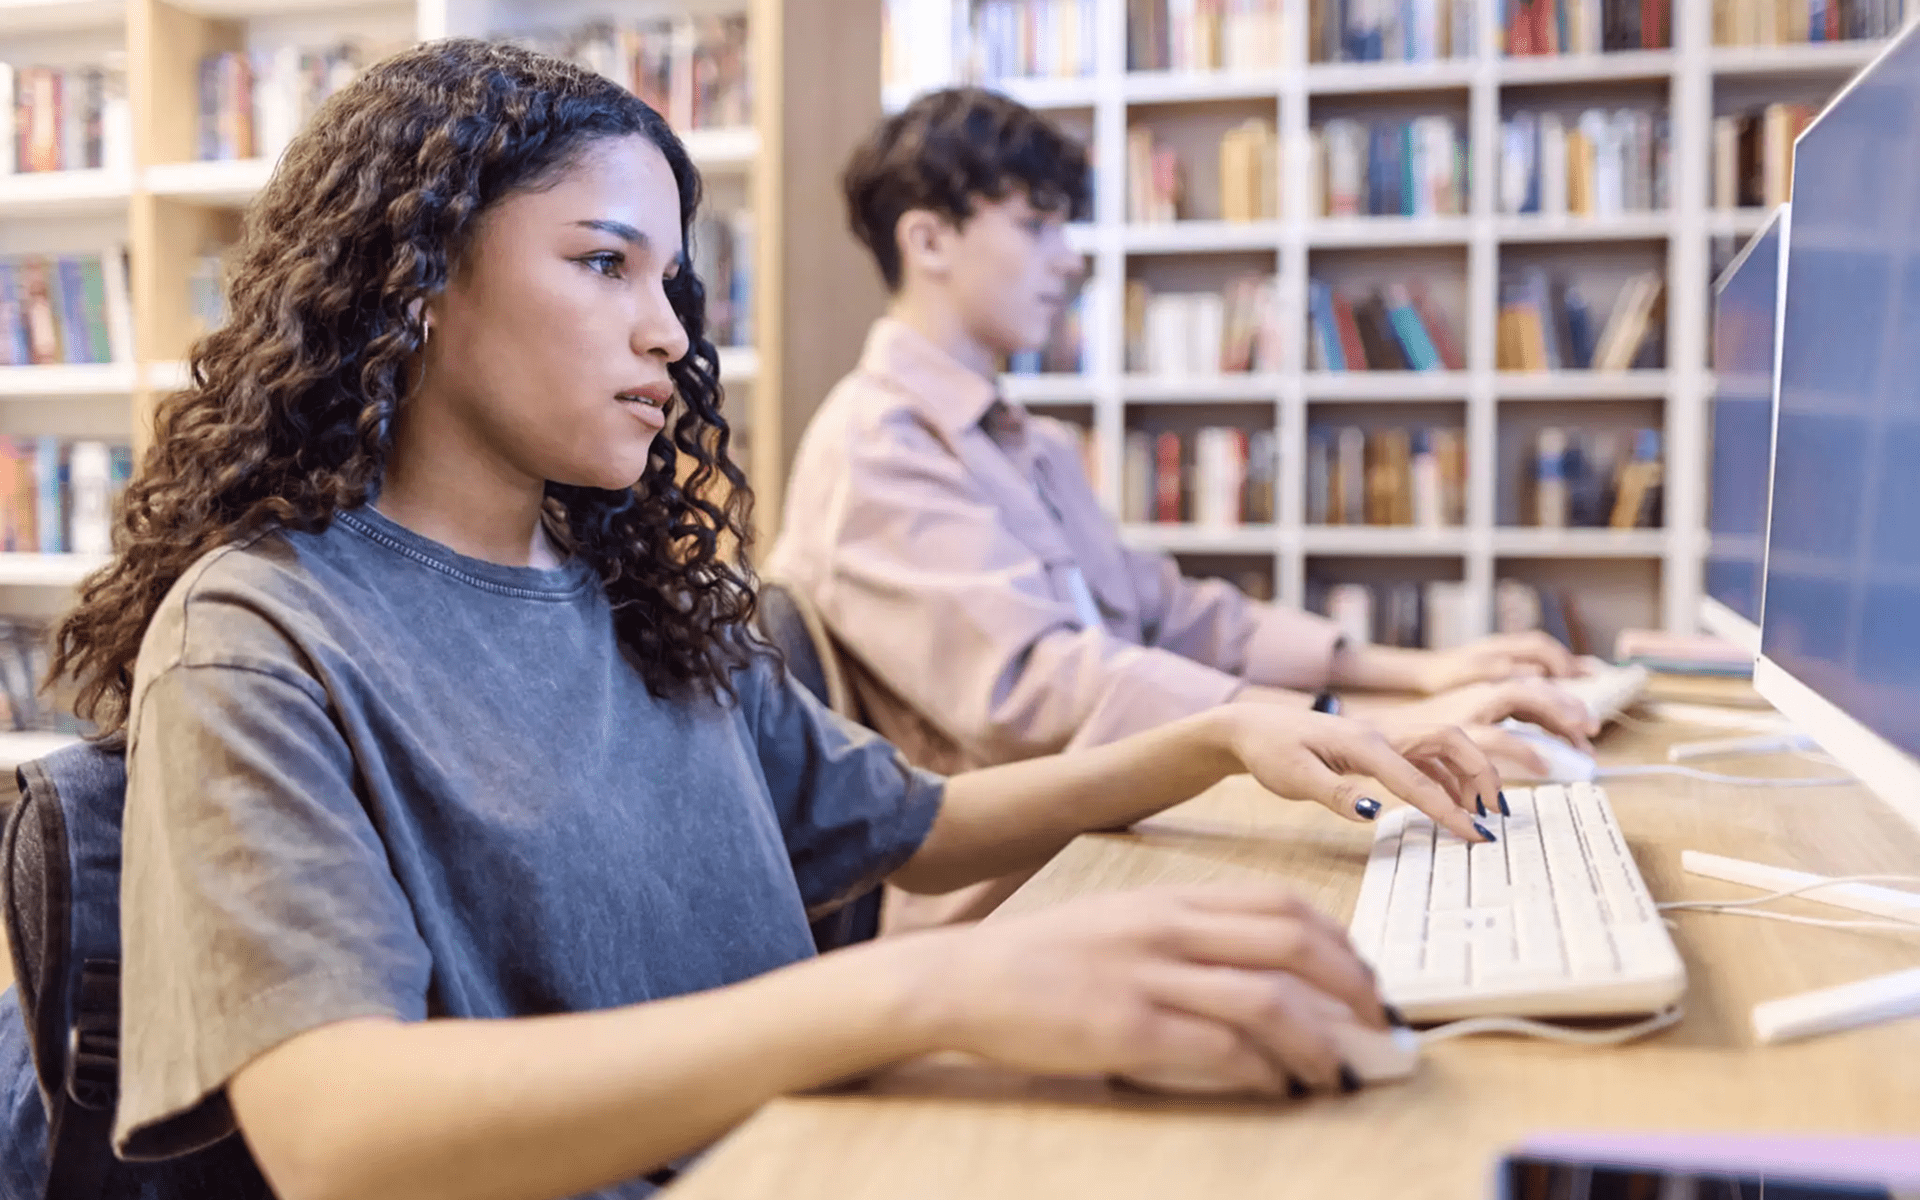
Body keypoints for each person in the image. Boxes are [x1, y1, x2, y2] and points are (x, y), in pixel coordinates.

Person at [52, 40, 1511, 1200]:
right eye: (604, 263)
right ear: (420, 279)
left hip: (813, 1149)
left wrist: (1218, 737)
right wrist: (924, 990)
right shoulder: (258, 636)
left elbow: (918, 824)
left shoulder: (631, 588)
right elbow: (339, 1137)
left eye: (670, 280)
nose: (670, 333)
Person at [766, 87, 1596, 925]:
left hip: (1133, 830)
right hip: (1024, 892)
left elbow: (1174, 613)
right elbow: (1043, 696)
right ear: (928, 238)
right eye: (1035, 226)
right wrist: (1354, 725)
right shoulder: (877, 446)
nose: (1068, 260)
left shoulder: (1032, 444)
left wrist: (1422, 673)